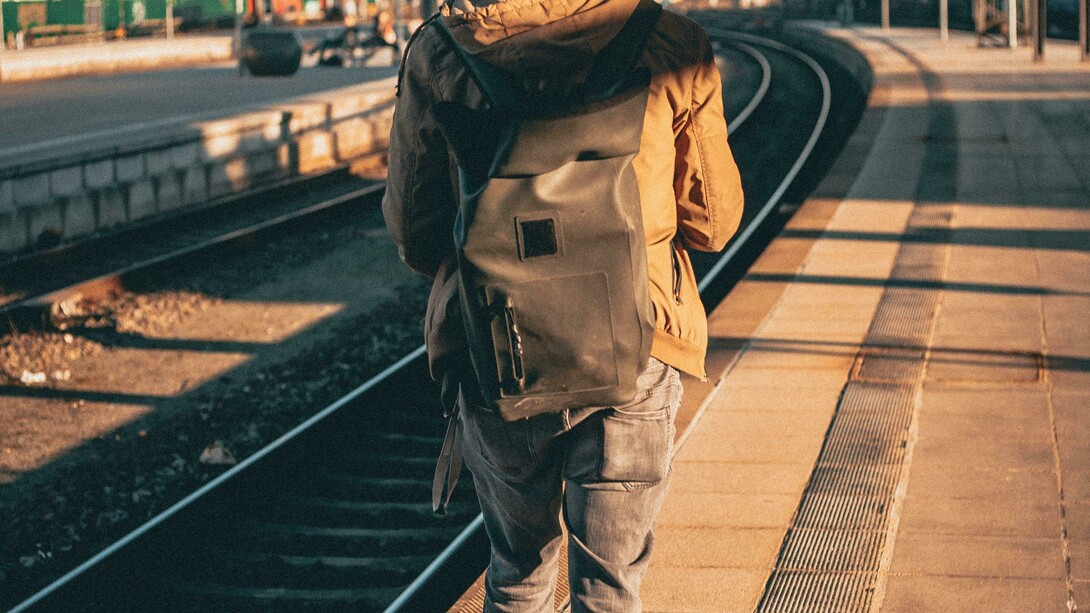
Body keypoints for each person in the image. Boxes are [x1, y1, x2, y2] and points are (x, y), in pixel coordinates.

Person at [382, 0, 744, 610]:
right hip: (635, 347)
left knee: (518, 572)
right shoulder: (670, 42)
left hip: (499, 351)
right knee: (610, 587)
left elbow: (416, 237)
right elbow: (712, 222)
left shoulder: (440, 51)